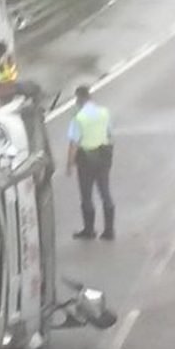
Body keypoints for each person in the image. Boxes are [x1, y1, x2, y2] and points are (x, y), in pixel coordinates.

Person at [66, 85, 115, 240]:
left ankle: (89, 230)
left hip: (86, 159)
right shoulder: (104, 112)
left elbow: (74, 143)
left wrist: (69, 164)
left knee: (86, 195)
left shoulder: (79, 118)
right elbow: (109, 134)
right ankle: (109, 230)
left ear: (79, 98)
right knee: (105, 192)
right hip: (103, 156)